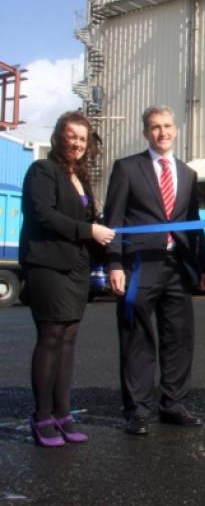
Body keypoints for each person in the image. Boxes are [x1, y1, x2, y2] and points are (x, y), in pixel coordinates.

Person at [105, 105, 205, 436]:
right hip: (140, 264)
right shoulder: (127, 168)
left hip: (178, 264)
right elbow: (114, 220)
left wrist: (203, 266)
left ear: (175, 130)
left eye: (167, 126)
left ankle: (173, 404)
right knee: (137, 337)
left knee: (179, 338)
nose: (162, 132)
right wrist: (114, 263)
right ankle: (137, 410)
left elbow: (193, 224)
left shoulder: (188, 173)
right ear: (145, 132)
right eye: (154, 127)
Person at [20, 111, 116, 446]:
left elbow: (91, 225)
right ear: (60, 136)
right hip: (47, 265)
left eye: (82, 138)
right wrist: (88, 229)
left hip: (76, 268)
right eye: (71, 135)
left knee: (68, 341)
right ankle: (41, 417)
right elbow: (42, 214)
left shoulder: (82, 177)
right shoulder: (42, 171)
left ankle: (62, 413)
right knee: (50, 339)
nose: (76, 142)